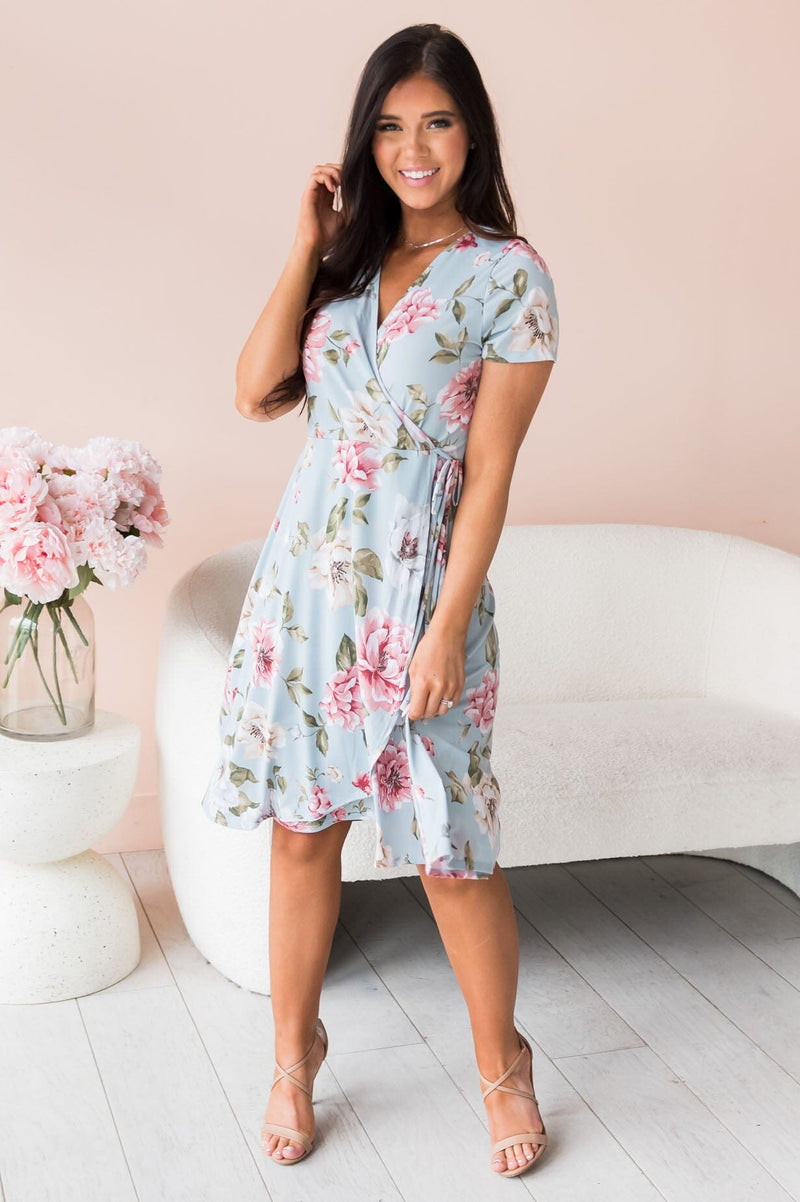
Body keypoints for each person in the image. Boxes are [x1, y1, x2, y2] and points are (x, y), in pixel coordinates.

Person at [200, 22, 559, 1180]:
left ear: (472, 135)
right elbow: (255, 390)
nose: (414, 147)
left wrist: (446, 624)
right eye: (391, 126)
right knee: (302, 830)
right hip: (307, 594)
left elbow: (490, 472)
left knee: (452, 851)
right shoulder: (343, 263)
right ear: (365, 140)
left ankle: (502, 1062)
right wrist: (305, 243)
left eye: (437, 122)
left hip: (420, 595)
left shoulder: (509, 277)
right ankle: (292, 1054)